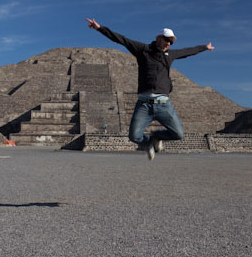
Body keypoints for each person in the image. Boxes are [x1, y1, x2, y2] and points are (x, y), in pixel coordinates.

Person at [86, 18, 214, 160]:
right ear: (159, 38)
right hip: (144, 104)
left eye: (171, 42)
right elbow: (122, 40)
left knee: (178, 134)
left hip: (164, 104)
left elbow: (188, 51)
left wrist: (205, 47)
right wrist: (99, 28)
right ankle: (148, 143)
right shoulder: (143, 50)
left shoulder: (169, 55)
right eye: (167, 40)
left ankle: (155, 137)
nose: (169, 44)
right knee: (134, 136)